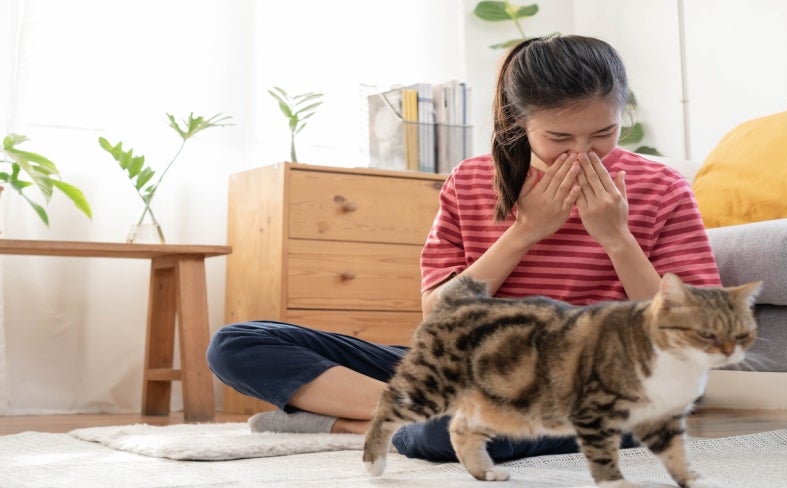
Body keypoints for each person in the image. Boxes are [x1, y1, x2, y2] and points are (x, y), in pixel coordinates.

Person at [206, 34, 721, 462]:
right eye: (559, 138)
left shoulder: (663, 187)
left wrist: (617, 239)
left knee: (450, 435)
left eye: (603, 134)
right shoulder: (471, 181)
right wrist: (524, 232)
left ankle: (376, 420)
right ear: (520, 121)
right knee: (237, 344)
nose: (583, 155)